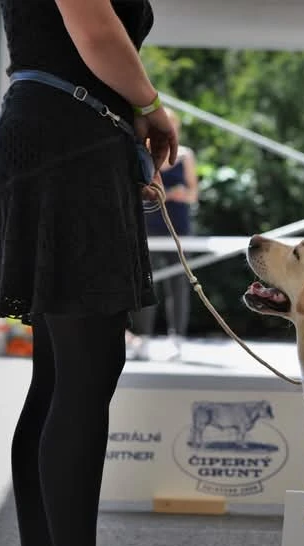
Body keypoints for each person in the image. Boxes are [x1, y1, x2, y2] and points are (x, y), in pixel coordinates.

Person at [0, 0, 188, 546]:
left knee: (59, 375)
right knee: (88, 368)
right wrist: (149, 105)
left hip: (59, 130)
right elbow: (92, 27)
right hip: (67, 140)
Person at [128, 107, 199, 361]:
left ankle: (176, 340)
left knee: (178, 285)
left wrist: (179, 194)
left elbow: (193, 194)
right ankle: (142, 339)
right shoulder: (142, 153)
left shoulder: (185, 156)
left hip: (177, 230)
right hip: (147, 227)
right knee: (145, 283)